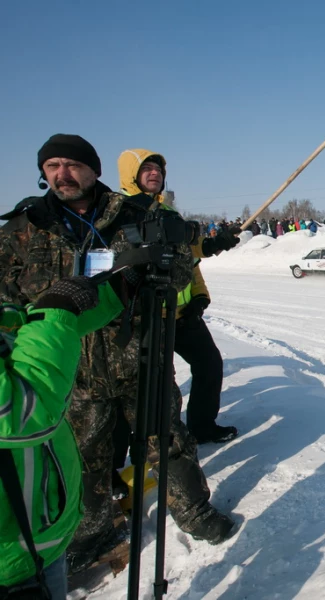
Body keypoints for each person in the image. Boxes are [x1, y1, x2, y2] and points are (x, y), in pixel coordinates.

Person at [0, 135, 236, 575]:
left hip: (139, 357)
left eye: (72, 165)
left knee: (167, 441)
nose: (62, 174)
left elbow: (182, 262)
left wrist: (157, 270)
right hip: (70, 370)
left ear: (94, 171)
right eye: (52, 165)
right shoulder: (22, 227)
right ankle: (90, 533)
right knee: (85, 456)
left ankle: (194, 513)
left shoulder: (136, 214)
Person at [1, 276, 126, 599]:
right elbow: (23, 414)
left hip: (34, 536)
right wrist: (57, 309)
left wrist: (116, 290)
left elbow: (22, 324)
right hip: (13, 565)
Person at [118, 148, 238, 445]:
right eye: (146, 168)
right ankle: (117, 457)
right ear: (131, 174)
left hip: (182, 314)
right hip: (142, 318)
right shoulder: (120, 212)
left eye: (158, 169)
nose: (155, 173)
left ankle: (202, 426)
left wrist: (200, 293)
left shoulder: (170, 213)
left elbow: (190, 258)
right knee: (145, 387)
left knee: (209, 364)